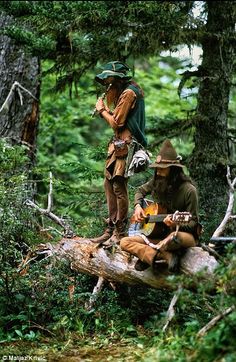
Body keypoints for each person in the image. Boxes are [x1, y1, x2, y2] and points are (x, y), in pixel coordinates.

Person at [120, 139, 200, 272]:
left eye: (162, 169)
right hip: (158, 235)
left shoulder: (189, 190)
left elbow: (194, 223)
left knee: (172, 238)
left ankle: (148, 256)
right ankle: (163, 256)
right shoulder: (157, 181)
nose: (158, 172)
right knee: (124, 242)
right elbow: (140, 191)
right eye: (157, 168)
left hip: (182, 236)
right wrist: (138, 207)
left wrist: (174, 224)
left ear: (173, 170)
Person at [90, 61, 147, 245]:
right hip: (118, 145)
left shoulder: (129, 92)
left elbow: (117, 123)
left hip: (126, 145)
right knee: (108, 183)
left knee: (118, 187)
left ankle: (120, 232)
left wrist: (102, 111)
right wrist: (108, 108)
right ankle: (110, 228)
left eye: (110, 79)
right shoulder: (125, 92)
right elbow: (119, 117)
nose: (108, 84)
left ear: (119, 78)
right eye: (106, 80)